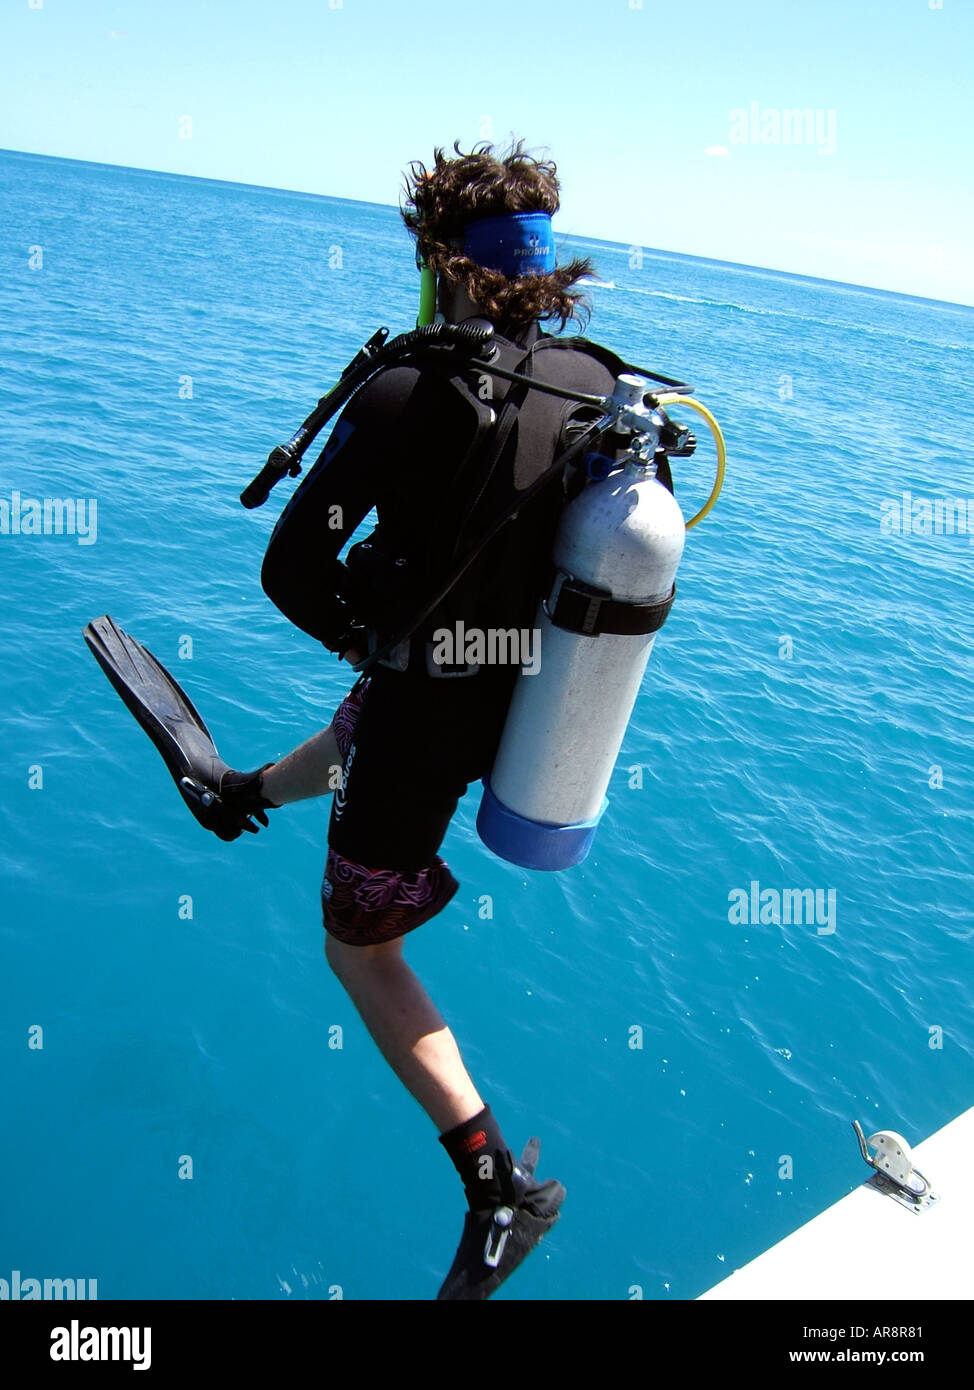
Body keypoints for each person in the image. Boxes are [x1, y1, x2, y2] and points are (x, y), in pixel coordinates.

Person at [88, 140, 645, 1299]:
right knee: (366, 718)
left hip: (429, 718)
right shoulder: (600, 384)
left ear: (439, 260)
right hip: (533, 696)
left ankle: (498, 1184)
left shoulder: (408, 388)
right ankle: (240, 791)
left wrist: (385, 642)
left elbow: (290, 571)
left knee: (359, 948)